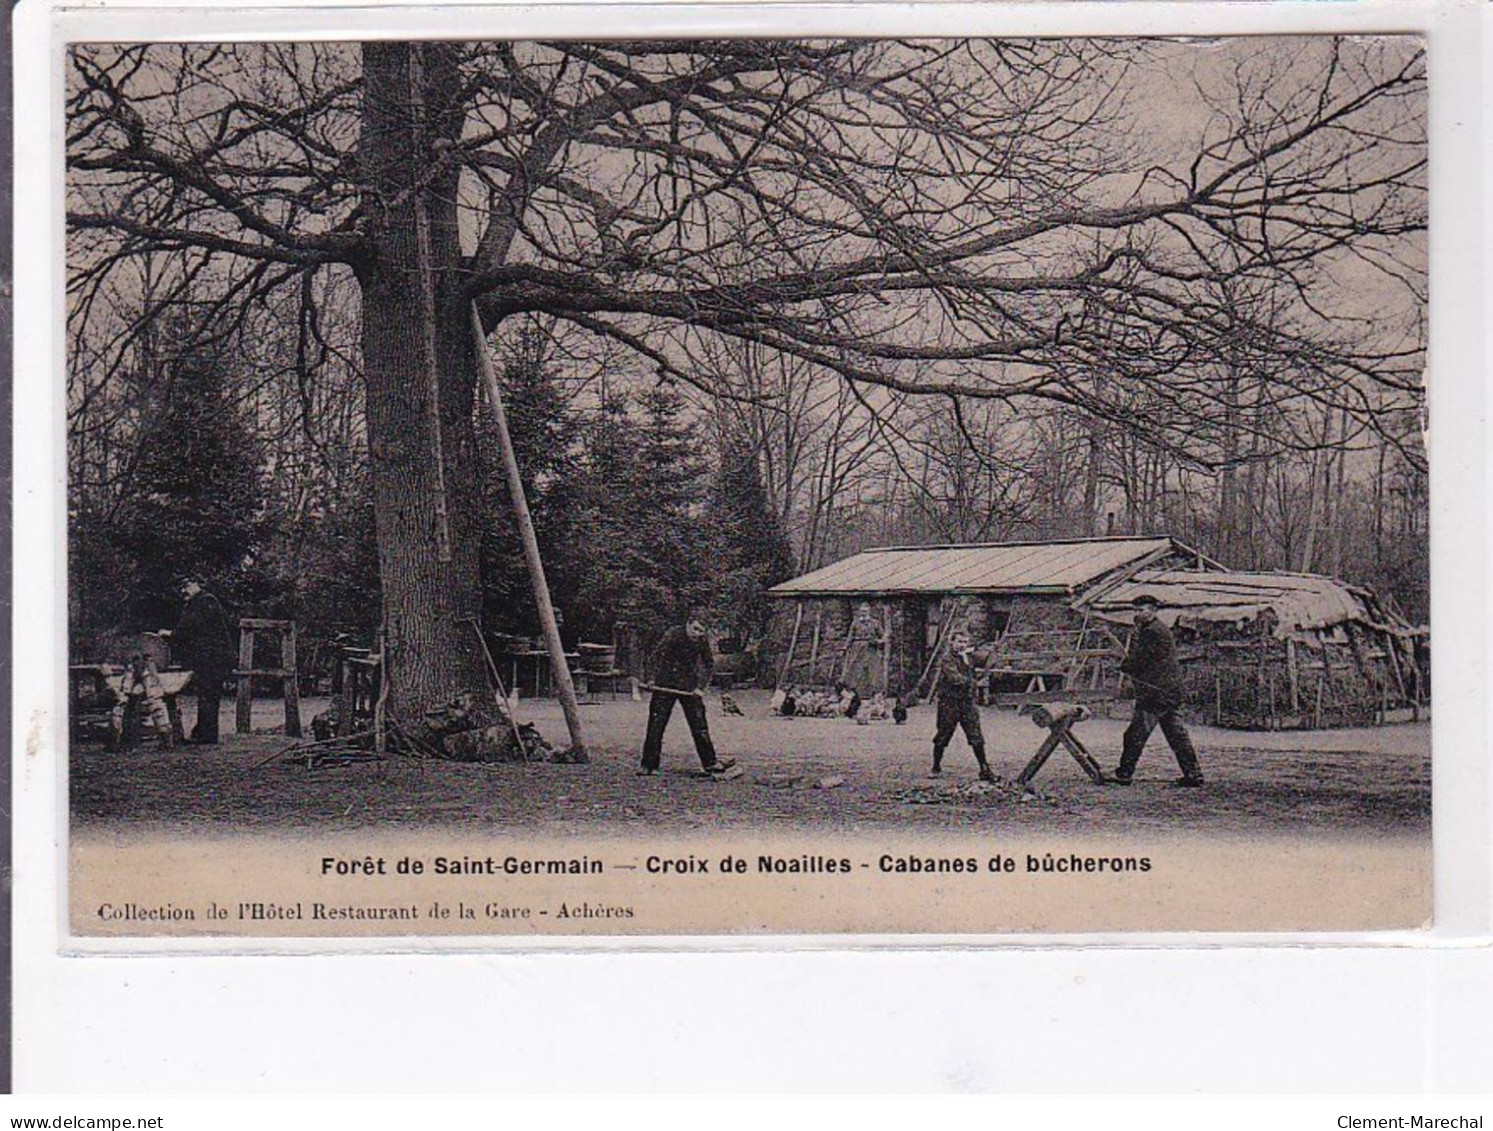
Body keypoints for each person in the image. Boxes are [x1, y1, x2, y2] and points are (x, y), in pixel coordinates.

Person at [1111, 594, 1205, 787]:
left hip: (1157, 693)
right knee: (1177, 735)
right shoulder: (1155, 628)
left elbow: (1141, 659)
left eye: (1142, 610)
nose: (1137, 614)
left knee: (1135, 734)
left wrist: (1125, 666)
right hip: (1169, 691)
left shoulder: (1153, 631)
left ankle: (1124, 774)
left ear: (1153, 611)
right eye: (1135, 610)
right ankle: (1194, 775)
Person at [638, 610, 737, 777]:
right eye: (695, 629)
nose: (697, 634)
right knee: (656, 724)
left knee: (699, 726)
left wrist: (701, 687)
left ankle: (710, 763)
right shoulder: (673, 635)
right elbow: (655, 657)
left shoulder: (701, 640)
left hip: (689, 687)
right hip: (665, 683)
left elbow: (708, 663)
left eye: (701, 631)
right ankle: (648, 765)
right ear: (688, 623)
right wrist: (650, 678)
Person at [174, 577, 235, 745]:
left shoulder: (205, 601)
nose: (183, 591)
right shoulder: (199, 602)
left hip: (213, 659)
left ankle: (206, 736)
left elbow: (190, 627)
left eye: (186, 586)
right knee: (207, 695)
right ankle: (203, 733)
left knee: (208, 695)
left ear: (197, 585)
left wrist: (171, 635)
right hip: (208, 657)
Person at [930, 628, 995, 781]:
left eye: (965, 642)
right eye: (959, 641)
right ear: (951, 642)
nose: (962, 645)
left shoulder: (969, 657)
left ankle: (984, 768)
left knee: (976, 735)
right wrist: (977, 683)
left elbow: (991, 659)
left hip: (967, 702)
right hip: (949, 703)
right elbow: (956, 679)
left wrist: (994, 651)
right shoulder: (947, 659)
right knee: (943, 735)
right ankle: (936, 767)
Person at [109, 653, 174, 750]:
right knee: (155, 701)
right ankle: (166, 740)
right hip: (146, 662)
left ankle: (114, 740)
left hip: (135, 662)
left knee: (122, 700)